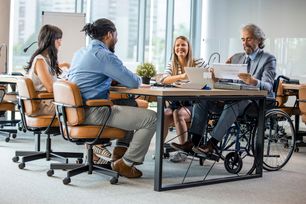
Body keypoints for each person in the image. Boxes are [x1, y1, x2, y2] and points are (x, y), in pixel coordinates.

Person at [68, 18, 157, 178]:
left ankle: (119, 155)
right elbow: (133, 81)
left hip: (75, 110)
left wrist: (111, 78)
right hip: (93, 111)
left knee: (132, 104)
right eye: (116, 35)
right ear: (109, 34)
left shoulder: (80, 52)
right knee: (152, 118)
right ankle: (126, 163)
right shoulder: (104, 55)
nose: (117, 38)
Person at [171, 24, 276, 155]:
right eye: (243, 39)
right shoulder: (237, 57)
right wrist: (217, 78)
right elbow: (228, 80)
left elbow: (269, 86)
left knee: (234, 104)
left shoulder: (268, 59)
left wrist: (253, 81)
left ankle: (212, 144)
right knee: (202, 100)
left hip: (255, 102)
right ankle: (193, 142)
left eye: (249, 39)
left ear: (259, 40)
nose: (245, 43)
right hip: (234, 98)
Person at [160, 36, 207, 162]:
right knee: (165, 113)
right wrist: (182, 76)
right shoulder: (172, 64)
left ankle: (184, 151)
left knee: (178, 113)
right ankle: (159, 148)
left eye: (183, 45)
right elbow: (164, 79)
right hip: (177, 101)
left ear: (188, 48)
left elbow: (208, 77)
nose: (180, 48)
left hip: (195, 103)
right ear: (174, 49)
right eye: (177, 45)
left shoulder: (198, 62)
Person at [25, 24, 67, 115]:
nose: (60, 43)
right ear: (50, 41)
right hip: (44, 106)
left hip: (46, 103)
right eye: (58, 40)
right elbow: (50, 88)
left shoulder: (45, 59)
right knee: (77, 108)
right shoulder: (40, 60)